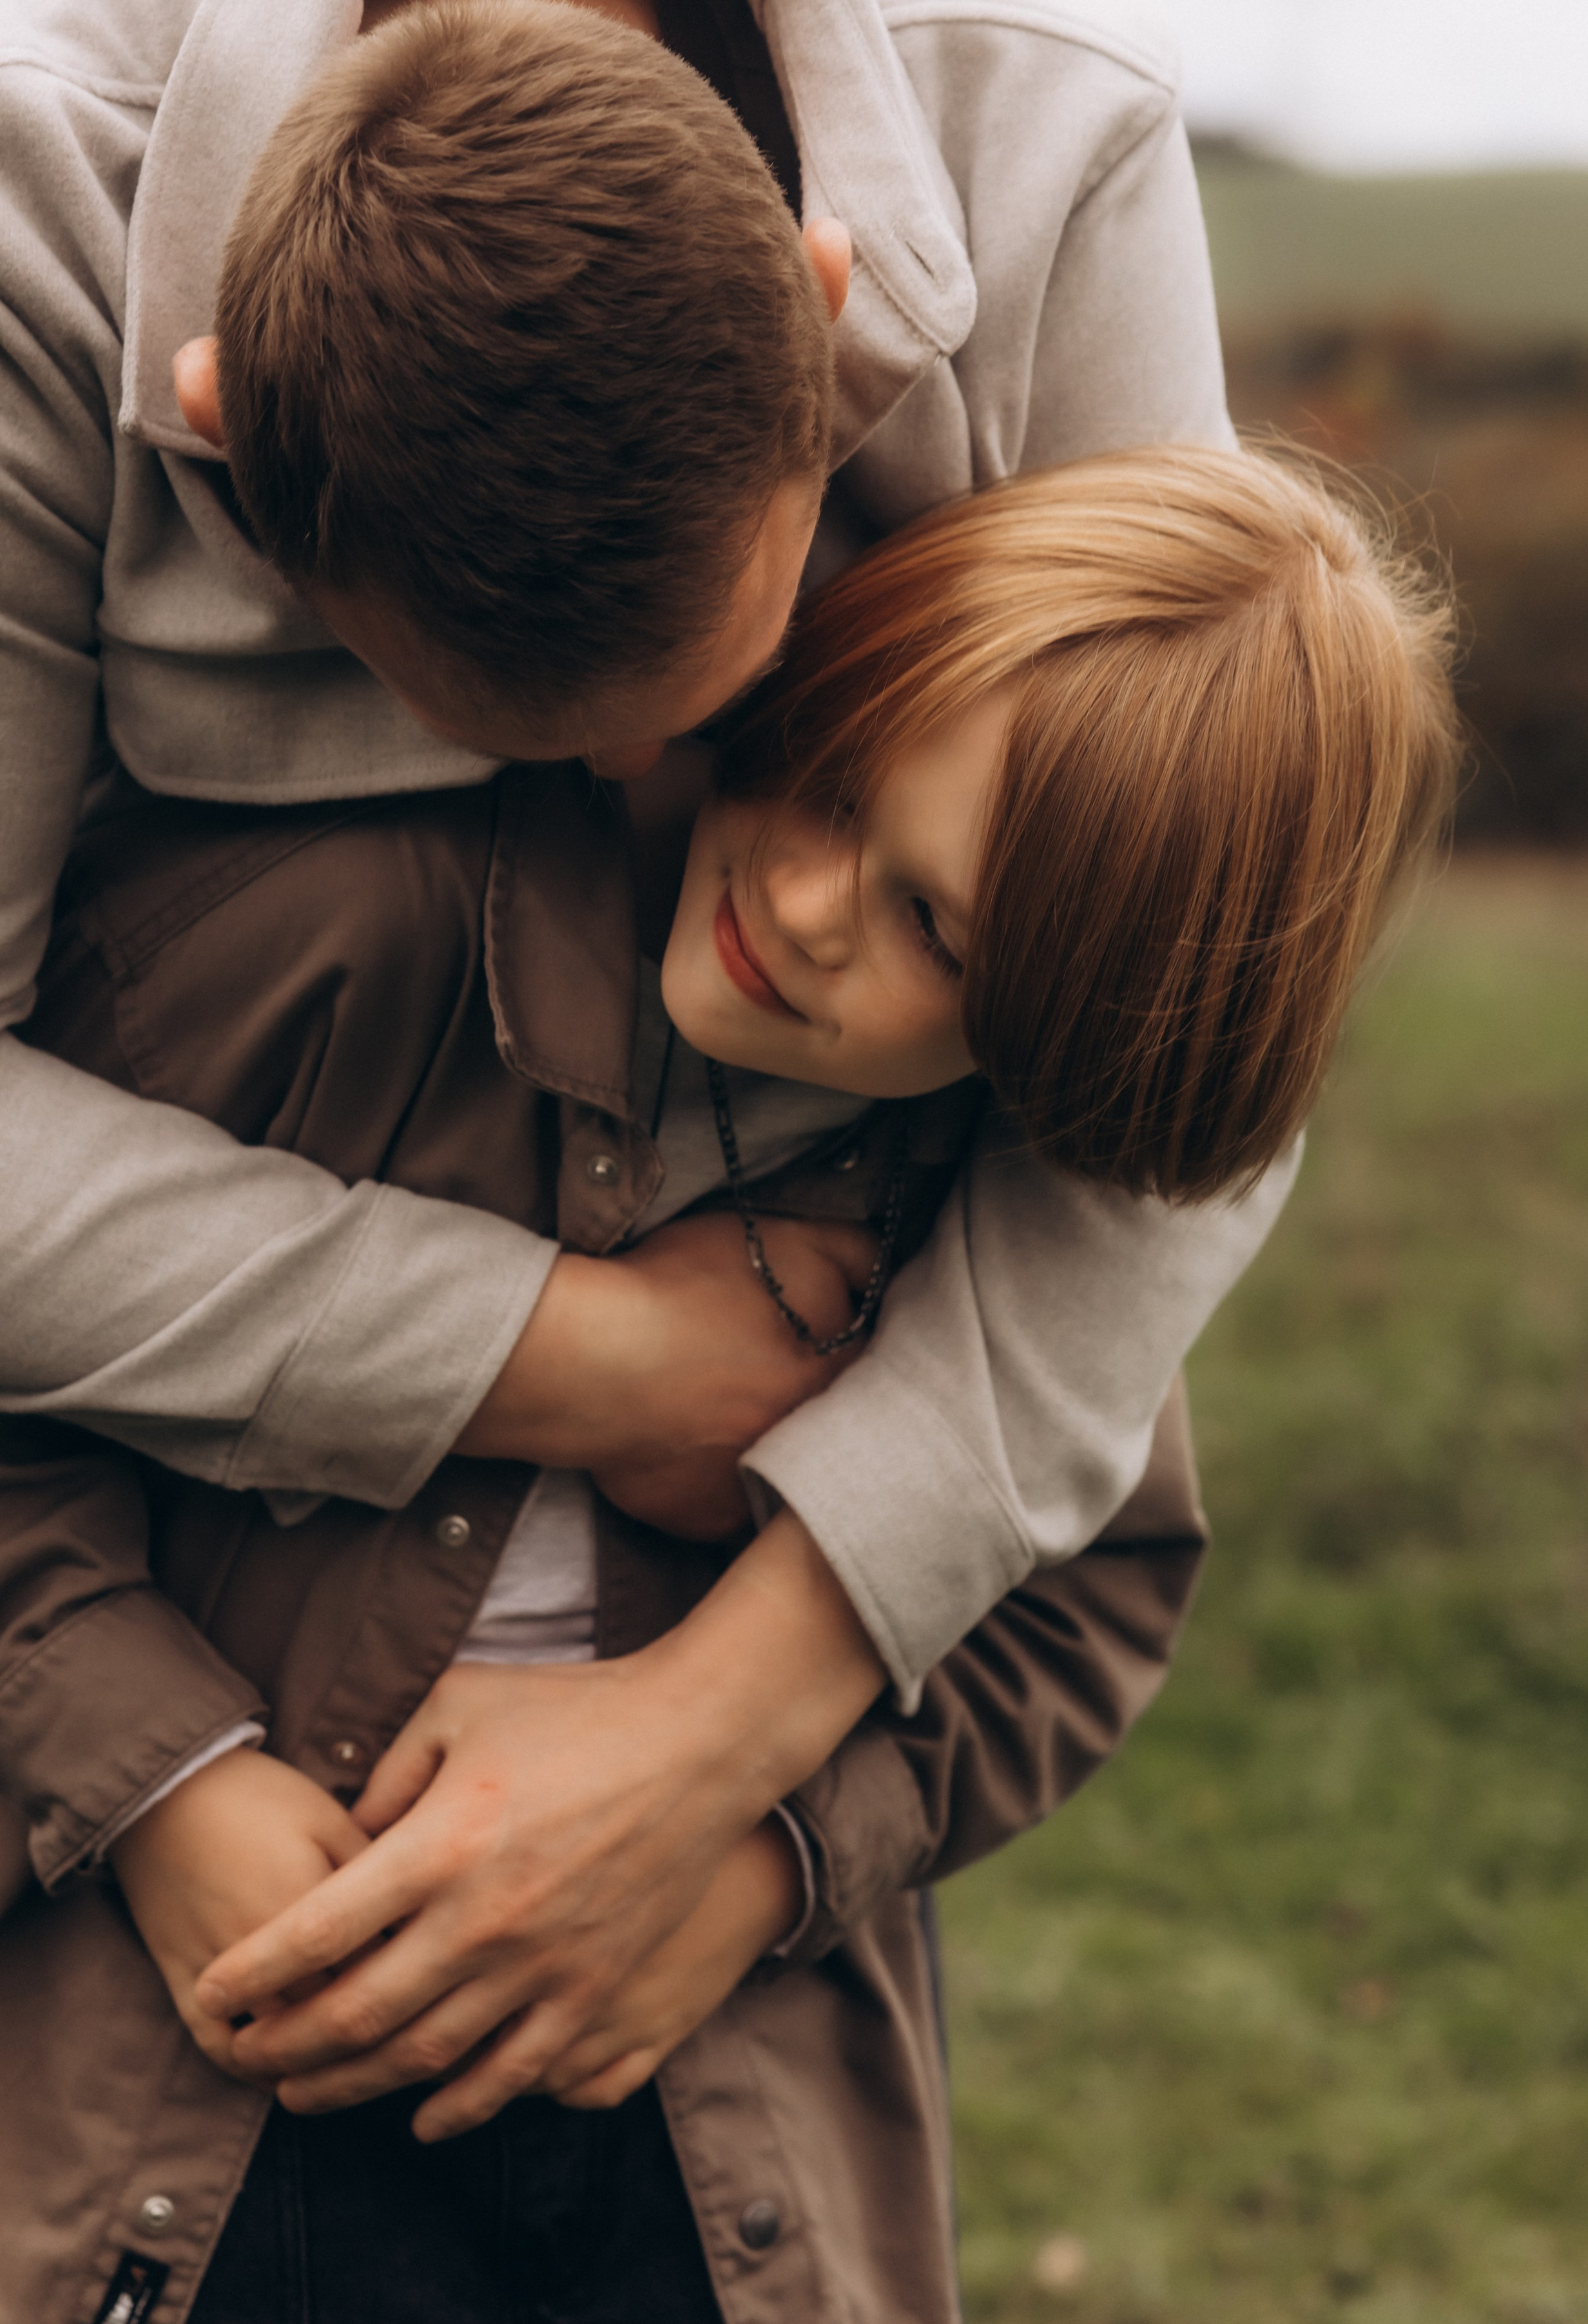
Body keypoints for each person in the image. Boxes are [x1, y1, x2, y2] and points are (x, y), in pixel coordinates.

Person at [0, 447, 1460, 2324]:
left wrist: (763, 1856)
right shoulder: (322, 934)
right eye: (831, 771)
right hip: (206, 2146)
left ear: (1064, 1044)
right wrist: (161, 1782)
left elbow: (1089, 1591)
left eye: (936, 929)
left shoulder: (992, 1221)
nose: (796, 902)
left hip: (727, 2191)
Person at [0, 0, 1295, 2128]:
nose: (666, 813)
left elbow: (1198, 995)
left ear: (830, 312)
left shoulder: (1049, 148)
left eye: (767, 692)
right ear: (215, 434)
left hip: (726, 1960)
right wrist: (572, 1356)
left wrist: (726, 1737)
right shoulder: (46, 193)